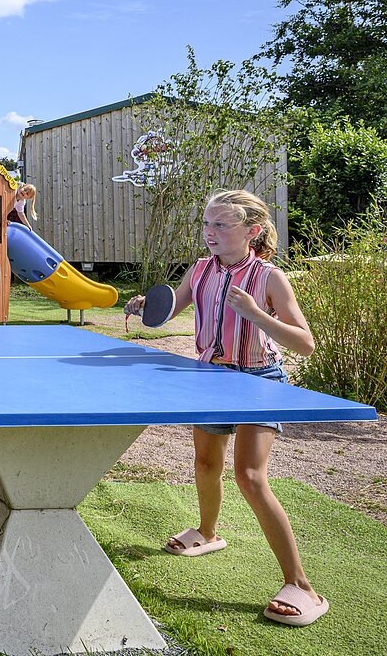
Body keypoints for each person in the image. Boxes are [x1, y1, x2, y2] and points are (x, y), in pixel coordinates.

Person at [124, 189, 325, 627]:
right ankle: (208, 533)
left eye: (220, 224)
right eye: (206, 224)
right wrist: (147, 307)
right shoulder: (199, 270)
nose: (209, 232)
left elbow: (304, 344)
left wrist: (256, 314)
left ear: (251, 231)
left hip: (258, 380)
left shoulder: (269, 277)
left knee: (250, 476)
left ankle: (302, 586)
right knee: (204, 462)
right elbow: (172, 307)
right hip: (210, 379)